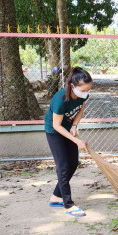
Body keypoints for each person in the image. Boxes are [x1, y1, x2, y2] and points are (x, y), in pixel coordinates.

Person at [45, 67, 92, 217]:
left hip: (67, 128)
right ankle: (68, 204)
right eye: (83, 90)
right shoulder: (60, 99)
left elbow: (81, 108)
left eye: (88, 90)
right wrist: (77, 140)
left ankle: (55, 197)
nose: (85, 93)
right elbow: (56, 125)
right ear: (72, 86)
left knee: (73, 163)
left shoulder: (82, 95)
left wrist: (74, 126)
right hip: (55, 131)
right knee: (63, 166)